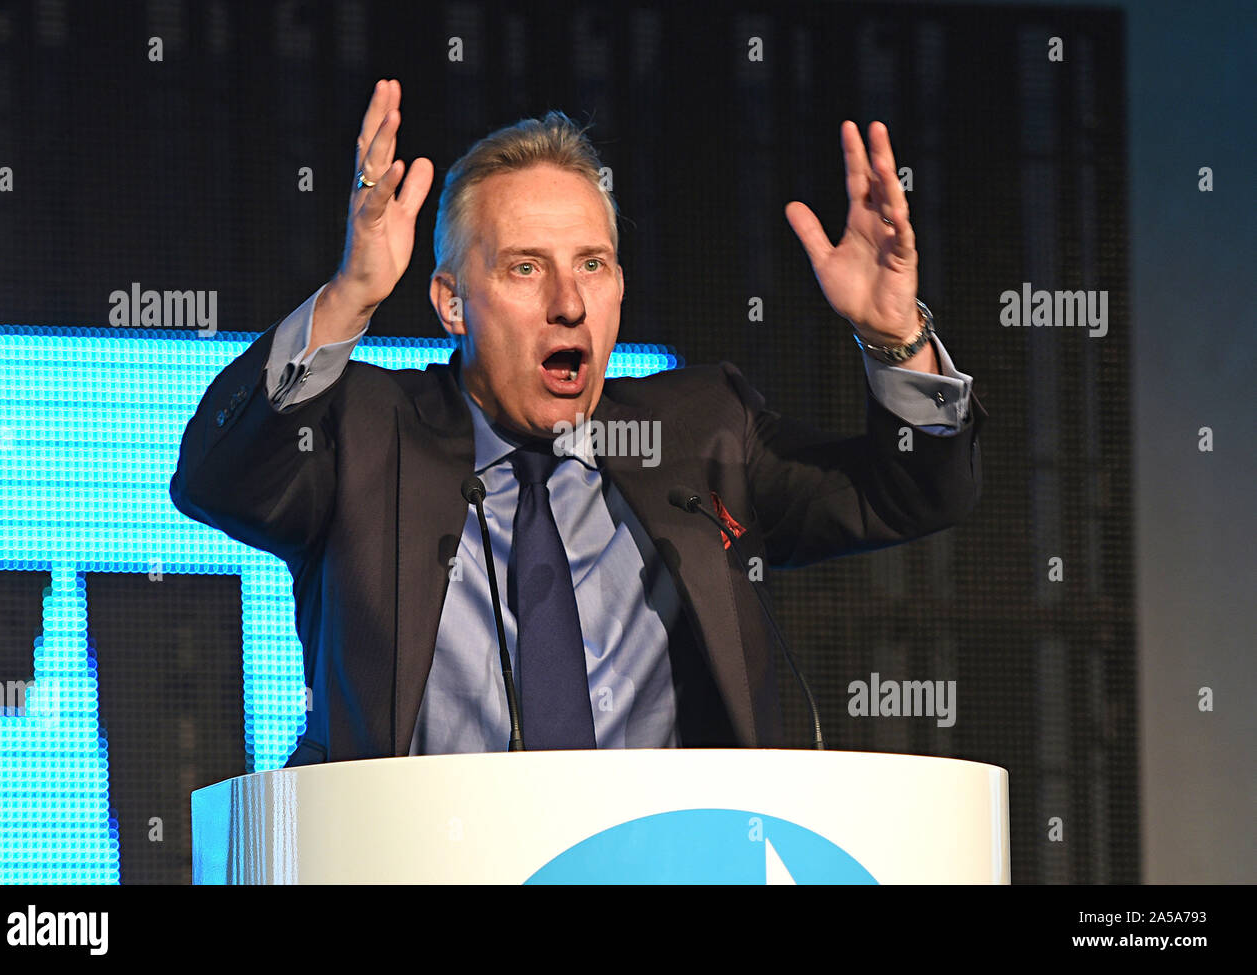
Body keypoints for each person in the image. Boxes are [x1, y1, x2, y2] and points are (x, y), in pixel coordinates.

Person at [170, 79, 984, 764]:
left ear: (619, 287)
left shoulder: (702, 434)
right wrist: (350, 295)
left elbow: (910, 493)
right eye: (526, 267)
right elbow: (217, 479)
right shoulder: (370, 431)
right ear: (452, 302)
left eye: (591, 264)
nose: (568, 302)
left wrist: (895, 336)